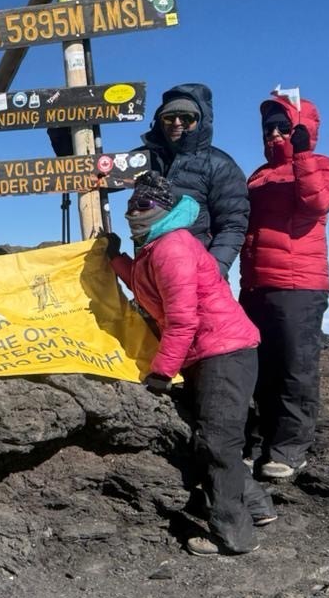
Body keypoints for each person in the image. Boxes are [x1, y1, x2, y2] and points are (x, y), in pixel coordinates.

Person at [108, 172, 273, 556]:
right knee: (214, 437)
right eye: (132, 204)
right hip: (210, 352)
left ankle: (234, 536)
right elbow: (145, 286)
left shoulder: (172, 247)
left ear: (164, 208)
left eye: (144, 204)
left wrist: (162, 371)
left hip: (223, 352)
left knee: (216, 443)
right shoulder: (155, 247)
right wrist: (114, 259)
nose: (134, 211)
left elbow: (183, 320)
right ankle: (258, 507)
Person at [240, 90, 329, 482]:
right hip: (256, 284)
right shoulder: (258, 176)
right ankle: (259, 443)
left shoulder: (320, 165)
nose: (274, 134)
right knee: (258, 368)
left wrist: (301, 154)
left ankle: (289, 450)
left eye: (283, 126)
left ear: (302, 128)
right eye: (268, 128)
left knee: (295, 368)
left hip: (299, 285)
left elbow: (318, 202)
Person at [138, 83, 249, 277]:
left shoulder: (220, 166)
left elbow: (232, 226)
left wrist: (211, 273)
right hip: (151, 278)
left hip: (199, 279)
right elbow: (105, 171)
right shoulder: (143, 160)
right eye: (169, 117)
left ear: (200, 121)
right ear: (159, 121)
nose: (177, 123)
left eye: (187, 118)